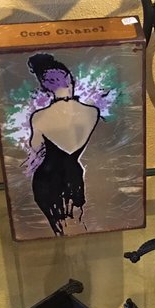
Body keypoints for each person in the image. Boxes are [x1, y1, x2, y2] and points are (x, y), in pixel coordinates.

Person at [27, 54, 101, 235]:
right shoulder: (92, 112)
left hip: (46, 179)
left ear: (45, 87)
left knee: (59, 230)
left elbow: (35, 148)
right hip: (72, 176)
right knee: (75, 228)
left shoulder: (39, 117)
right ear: (71, 80)